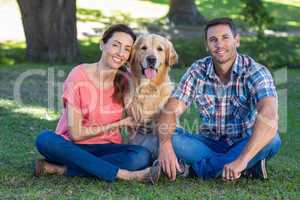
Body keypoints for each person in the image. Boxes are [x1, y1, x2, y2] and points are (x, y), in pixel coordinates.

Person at [157, 17, 281, 181]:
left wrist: (241, 160)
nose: (219, 44)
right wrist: (165, 145)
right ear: (206, 45)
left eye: (225, 38)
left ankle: (198, 170)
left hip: (244, 142)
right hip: (207, 143)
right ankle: (251, 165)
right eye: (213, 40)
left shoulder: (256, 71)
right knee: (170, 137)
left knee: (272, 138)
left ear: (236, 40)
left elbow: (269, 114)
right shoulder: (197, 71)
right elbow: (171, 109)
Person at [34, 24, 160, 184]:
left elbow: (149, 97)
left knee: (141, 156)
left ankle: (60, 169)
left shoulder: (127, 80)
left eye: (127, 49)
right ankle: (124, 174)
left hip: (107, 149)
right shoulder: (78, 75)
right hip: (73, 146)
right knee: (45, 140)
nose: (120, 53)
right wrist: (120, 123)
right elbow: (76, 134)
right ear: (102, 44)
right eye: (115, 45)